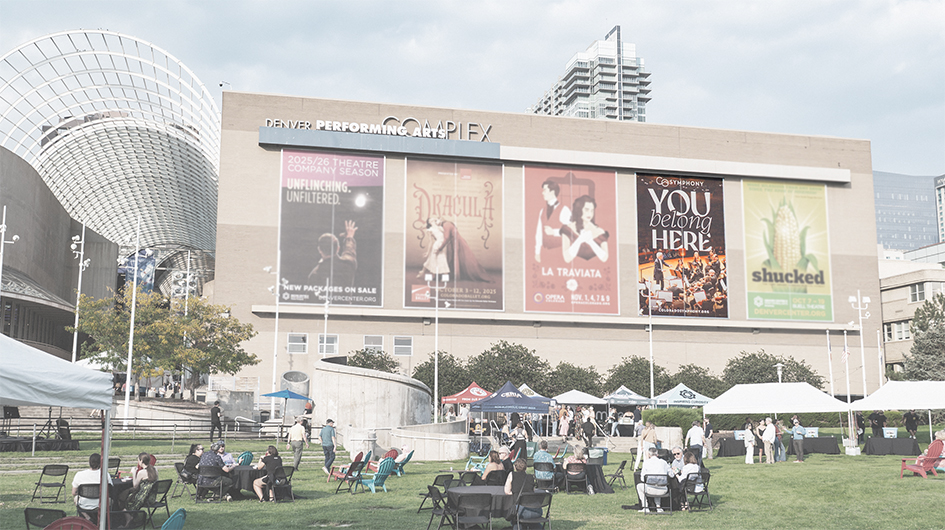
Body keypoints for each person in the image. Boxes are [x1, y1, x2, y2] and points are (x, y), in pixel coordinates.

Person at [422, 216, 490, 282]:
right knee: (438, 260)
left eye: (436, 220)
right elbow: (435, 237)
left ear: (441, 220)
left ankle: (448, 275)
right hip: (443, 244)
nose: (435, 221)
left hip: (448, 244)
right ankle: (438, 276)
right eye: (433, 220)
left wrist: (440, 248)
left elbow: (446, 237)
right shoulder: (437, 227)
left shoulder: (444, 225)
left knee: (447, 259)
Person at [560, 195, 609, 263]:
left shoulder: (599, 231)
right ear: (579, 209)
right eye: (586, 210)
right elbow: (567, 258)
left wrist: (591, 242)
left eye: (592, 210)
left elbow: (604, 258)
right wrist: (580, 240)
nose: (590, 213)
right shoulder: (567, 229)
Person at [309, 220, 358, 288]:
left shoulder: (314, 274)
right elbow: (349, 250)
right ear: (338, 248)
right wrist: (349, 237)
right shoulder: (348, 263)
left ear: (319, 250)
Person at [534, 179, 571, 263]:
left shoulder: (564, 210)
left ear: (552, 192)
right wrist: (537, 252)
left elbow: (570, 232)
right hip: (545, 253)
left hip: (560, 253)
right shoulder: (542, 211)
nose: (542, 193)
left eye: (545, 190)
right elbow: (539, 233)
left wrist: (554, 232)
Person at [637, 446, 672, 513]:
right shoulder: (664, 462)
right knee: (658, 483)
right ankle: (658, 507)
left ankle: (645, 507)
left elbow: (642, 478)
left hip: (651, 490)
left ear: (649, 455)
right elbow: (671, 475)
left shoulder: (646, 463)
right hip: (663, 490)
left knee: (639, 486)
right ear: (657, 454)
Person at [73, 453, 108, 520]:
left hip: (84, 503)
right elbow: (109, 490)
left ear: (89, 462)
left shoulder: (79, 474)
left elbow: (74, 492)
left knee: (76, 498)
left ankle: (86, 517)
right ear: (101, 463)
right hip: (101, 503)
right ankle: (102, 518)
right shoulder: (105, 474)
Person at [505, 458, 539, 528]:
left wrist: (515, 493)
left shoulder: (512, 475)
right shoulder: (531, 477)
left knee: (515, 516)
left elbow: (507, 491)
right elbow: (533, 490)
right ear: (526, 468)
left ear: (515, 467)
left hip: (520, 510)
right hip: (535, 510)